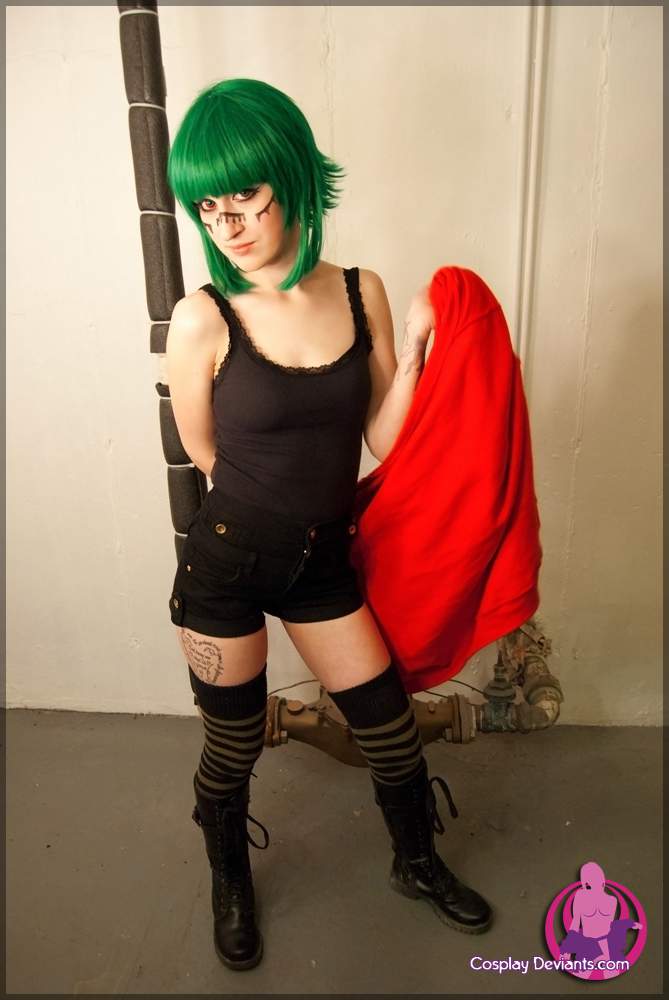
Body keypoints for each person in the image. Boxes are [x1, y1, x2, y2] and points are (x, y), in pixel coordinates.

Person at [165, 77, 492, 972]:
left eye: (245, 196)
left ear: (293, 178)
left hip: (322, 565)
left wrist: (416, 348)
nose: (227, 223)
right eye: (208, 206)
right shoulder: (202, 317)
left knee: (387, 724)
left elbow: (382, 436)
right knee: (233, 742)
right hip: (227, 563)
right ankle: (230, 878)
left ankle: (415, 864)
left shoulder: (358, 291)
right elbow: (204, 452)